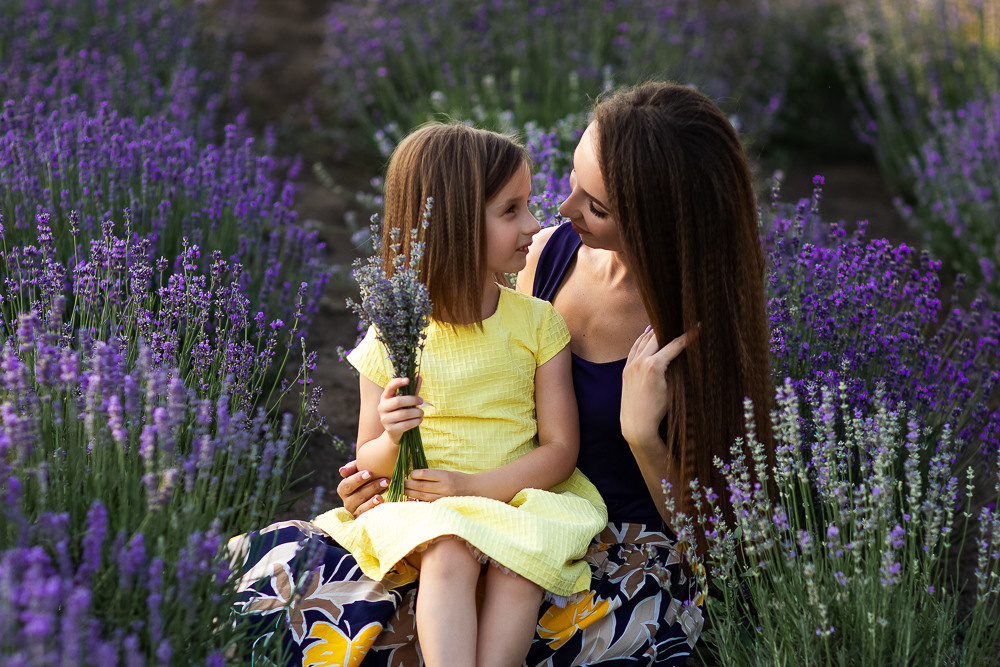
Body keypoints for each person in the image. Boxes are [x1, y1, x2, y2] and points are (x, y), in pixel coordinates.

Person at [232, 81, 773, 666]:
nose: (560, 215)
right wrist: (382, 472)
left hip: (607, 552)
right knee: (289, 588)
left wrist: (644, 438)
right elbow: (480, 384)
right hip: (485, 516)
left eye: (595, 206)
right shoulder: (550, 256)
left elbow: (723, 554)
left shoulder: (699, 326)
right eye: (570, 185)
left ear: (655, 224)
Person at [235, 122, 607, 667]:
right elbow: (369, 457)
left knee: (522, 565)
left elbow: (559, 449)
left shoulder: (537, 324)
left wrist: (475, 486)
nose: (534, 224)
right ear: (455, 226)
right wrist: (392, 434)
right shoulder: (395, 334)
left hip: (518, 495)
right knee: (449, 552)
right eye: (511, 210)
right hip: (427, 508)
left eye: (527, 205)